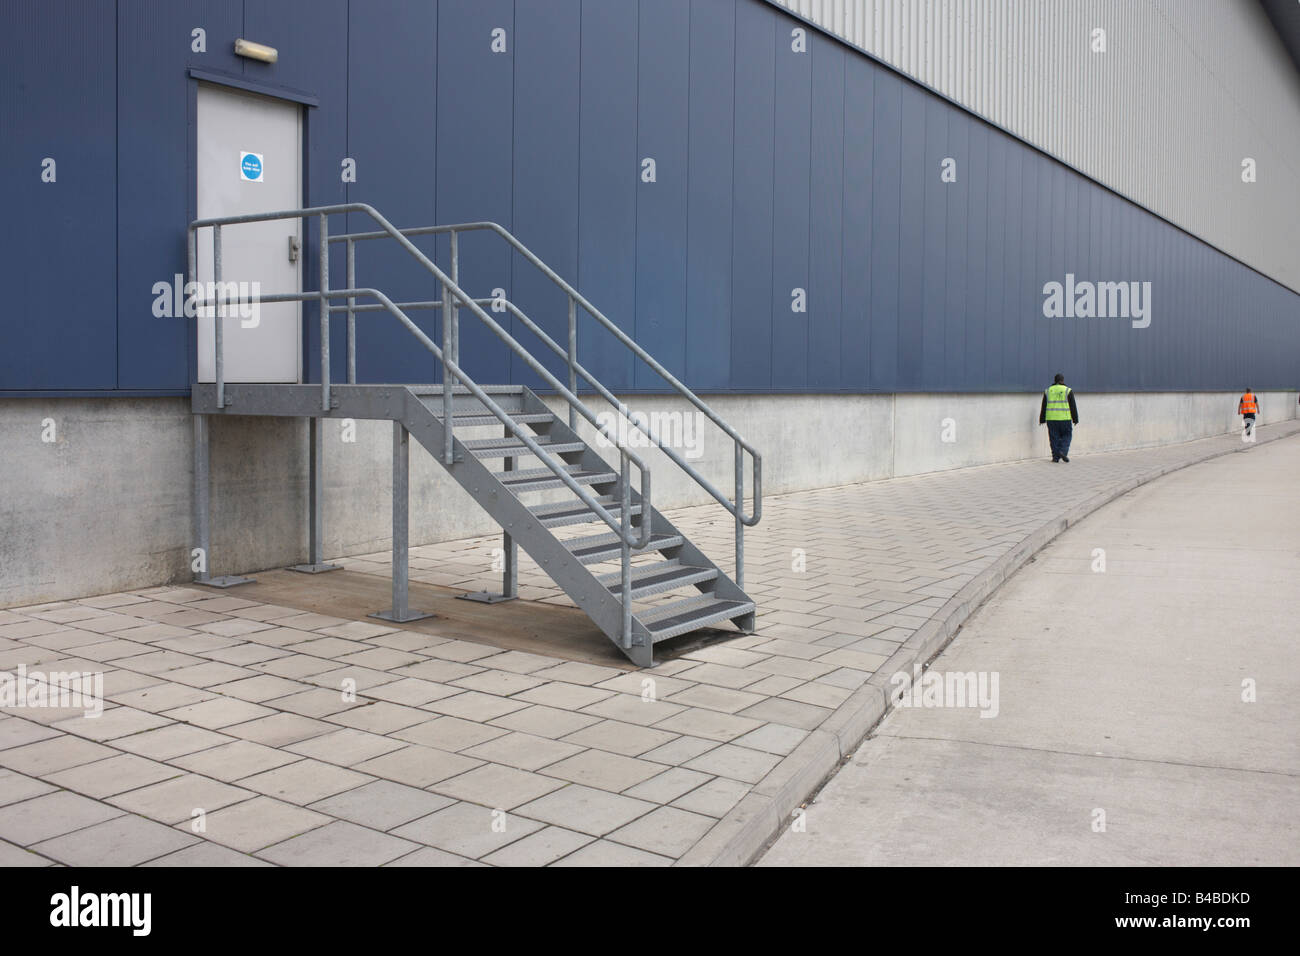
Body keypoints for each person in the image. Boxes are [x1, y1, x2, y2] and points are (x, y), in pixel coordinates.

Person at [1039, 373, 1079, 462]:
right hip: (1065, 419)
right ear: (1062, 381)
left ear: (1055, 380)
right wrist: (1075, 419)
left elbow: (1044, 405)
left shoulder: (1048, 390)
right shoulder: (1067, 390)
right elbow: (1073, 406)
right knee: (1067, 435)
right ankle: (1063, 451)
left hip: (1051, 419)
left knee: (1054, 438)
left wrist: (1042, 419)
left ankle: (1055, 457)